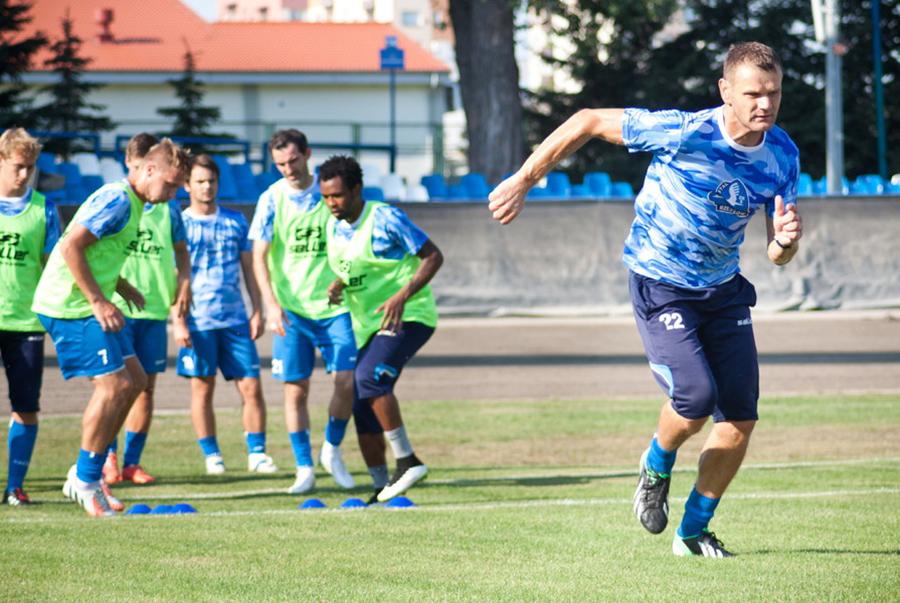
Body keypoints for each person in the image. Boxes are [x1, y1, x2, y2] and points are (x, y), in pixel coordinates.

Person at [487, 42, 802, 557]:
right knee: (695, 400)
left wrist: (785, 242)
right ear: (725, 91)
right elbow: (588, 119)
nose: (764, 104)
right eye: (752, 94)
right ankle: (656, 463)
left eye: (773, 93)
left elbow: (775, 251)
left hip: (723, 290)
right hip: (661, 283)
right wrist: (524, 179)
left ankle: (692, 532)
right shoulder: (684, 131)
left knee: (740, 418)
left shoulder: (781, 154)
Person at [33, 139, 190, 517]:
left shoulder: (138, 204)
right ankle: (85, 480)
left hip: (90, 302)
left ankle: (88, 473)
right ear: (149, 170)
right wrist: (99, 301)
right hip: (69, 305)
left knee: (135, 382)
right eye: (170, 184)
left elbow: (97, 251)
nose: (172, 194)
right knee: (114, 385)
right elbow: (71, 246)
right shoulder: (119, 199)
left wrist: (120, 286)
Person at [321, 155, 443, 503]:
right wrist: (339, 284)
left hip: (411, 315)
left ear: (357, 190)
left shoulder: (385, 217)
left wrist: (402, 296)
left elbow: (433, 256)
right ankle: (381, 486)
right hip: (369, 326)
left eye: (338, 196)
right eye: (326, 197)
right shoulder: (334, 225)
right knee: (360, 400)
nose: (331, 203)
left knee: (370, 379)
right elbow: (357, 266)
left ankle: (407, 461)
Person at [250, 129, 358, 494]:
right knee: (295, 390)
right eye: (280, 163)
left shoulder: (329, 193)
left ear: (307, 154)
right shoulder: (272, 199)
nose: (288, 169)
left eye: (293, 160)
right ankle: (303, 467)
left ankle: (332, 450)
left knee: (347, 381)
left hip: (333, 309)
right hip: (292, 312)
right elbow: (259, 257)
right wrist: (270, 306)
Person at [175, 154, 278, 476]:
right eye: (200, 182)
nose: (207, 188)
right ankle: (212, 456)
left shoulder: (235, 221)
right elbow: (173, 272)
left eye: (212, 181)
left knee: (251, 386)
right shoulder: (178, 222)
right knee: (202, 389)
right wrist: (177, 319)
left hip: (235, 319)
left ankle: (257, 453)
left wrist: (257, 310)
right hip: (197, 321)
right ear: (187, 185)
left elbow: (249, 267)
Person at [103, 133, 192, 485]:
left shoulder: (169, 208)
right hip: (118, 311)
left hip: (154, 310)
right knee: (115, 387)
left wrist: (183, 285)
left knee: (145, 389)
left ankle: (132, 463)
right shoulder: (118, 202)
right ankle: (106, 457)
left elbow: (182, 251)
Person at [0, 128, 61, 506]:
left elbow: (54, 266)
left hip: (26, 324)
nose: (25, 175)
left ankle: (15, 486)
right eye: (18, 167)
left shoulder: (44, 209)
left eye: (31, 168)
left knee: (26, 406)